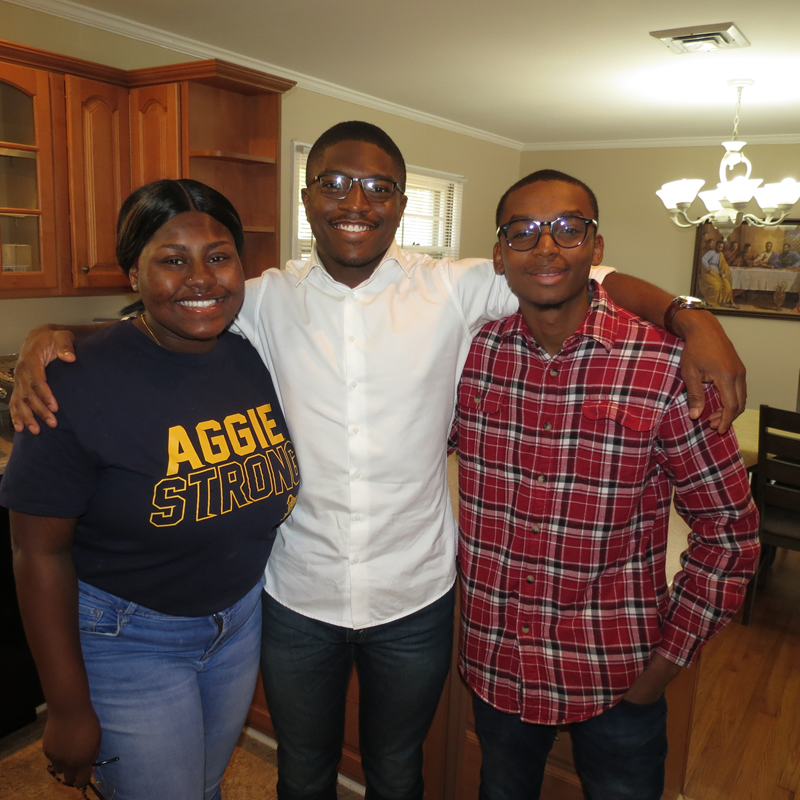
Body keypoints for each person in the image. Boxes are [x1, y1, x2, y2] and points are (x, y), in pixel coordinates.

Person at [10, 122, 747, 800]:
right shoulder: (263, 299)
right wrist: (56, 332)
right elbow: (175, 307)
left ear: (400, 202)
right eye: (333, 183)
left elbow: (584, 273)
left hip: (415, 594)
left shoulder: (457, 286)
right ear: (307, 199)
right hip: (297, 592)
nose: (354, 201)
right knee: (302, 767)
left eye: (377, 186)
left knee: (398, 769)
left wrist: (691, 314)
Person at [449, 170, 759, 800]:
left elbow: (729, 531)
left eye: (568, 228)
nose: (546, 247)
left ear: (596, 248)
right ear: (500, 254)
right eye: (524, 232)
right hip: (496, 665)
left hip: (615, 674)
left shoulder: (665, 367)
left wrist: (668, 660)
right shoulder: (471, 357)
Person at [0, 180, 298, 800]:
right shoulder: (73, 385)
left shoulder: (249, 356)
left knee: (206, 786)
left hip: (239, 624)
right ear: (133, 271)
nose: (201, 279)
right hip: (127, 638)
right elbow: (37, 552)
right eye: (172, 260)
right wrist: (67, 707)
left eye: (219, 256)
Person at [699, 239, 736, 308]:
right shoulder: (711, 252)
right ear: (716, 246)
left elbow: (723, 264)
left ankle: (725, 302)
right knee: (716, 286)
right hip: (708, 272)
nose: (720, 249)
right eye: (719, 247)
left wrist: (722, 269)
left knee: (727, 286)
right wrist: (707, 267)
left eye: (721, 247)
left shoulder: (720, 254)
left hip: (717, 273)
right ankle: (710, 302)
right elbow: (703, 259)